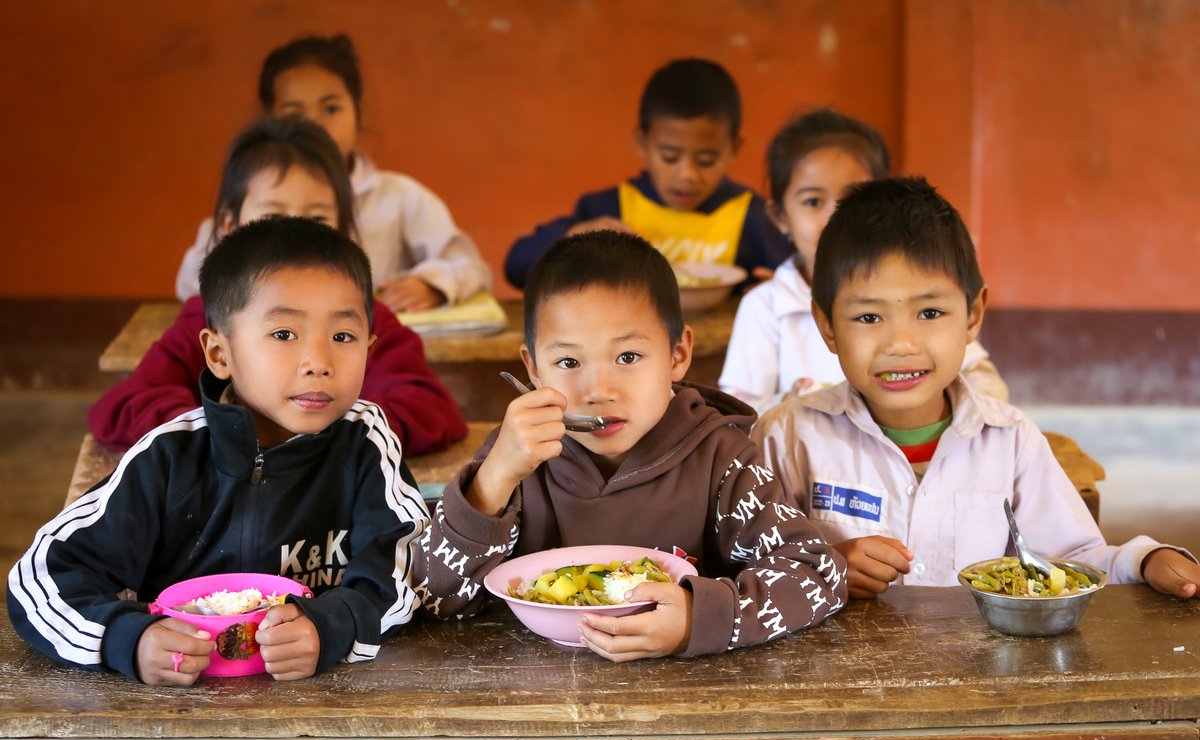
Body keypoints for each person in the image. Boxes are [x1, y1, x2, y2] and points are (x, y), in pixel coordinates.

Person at [8, 217, 430, 685]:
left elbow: (409, 563)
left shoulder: (365, 442)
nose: (319, 363)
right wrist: (127, 638)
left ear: (370, 347)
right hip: (174, 717)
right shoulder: (170, 456)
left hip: (324, 711)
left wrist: (332, 626)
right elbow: (40, 577)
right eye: (284, 334)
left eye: (343, 337)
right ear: (219, 354)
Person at [751, 177, 1200, 600]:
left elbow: (1070, 562)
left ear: (972, 315)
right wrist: (823, 568)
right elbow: (743, 566)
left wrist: (1145, 560)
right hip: (836, 678)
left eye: (930, 313)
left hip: (981, 677)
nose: (901, 344)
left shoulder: (1010, 439)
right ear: (826, 325)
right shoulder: (787, 437)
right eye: (869, 317)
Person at [410, 230, 847, 661]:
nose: (599, 390)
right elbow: (434, 598)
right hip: (539, 700)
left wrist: (698, 619)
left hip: (695, 703)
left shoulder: (722, 459)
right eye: (568, 362)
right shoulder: (515, 458)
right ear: (534, 368)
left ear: (678, 354)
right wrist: (494, 479)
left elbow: (817, 573)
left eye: (627, 357)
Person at [90, 115, 468, 454]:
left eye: (317, 219)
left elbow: (430, 408)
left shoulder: (366, 320)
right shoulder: (212, 319)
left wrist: (336, 435)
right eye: (272, 215)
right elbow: (126, 404)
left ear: (346, 228)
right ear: (228, 226)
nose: (294, 234)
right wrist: (218, 436)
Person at [174, 34, 491, 312]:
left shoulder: (401, 196)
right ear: (269, 119)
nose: (314, 125)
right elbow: (190, 287)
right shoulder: (248, 201)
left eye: (330, 109)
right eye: (293, 112)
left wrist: (433, 285)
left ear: (358, 111)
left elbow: (471, 267)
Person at [720, 108, 1008, 413]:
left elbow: (982, 379)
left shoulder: (922, 284)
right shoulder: (767, 306)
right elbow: (739, 410)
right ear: (780, 216)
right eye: (813, 202)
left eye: (852, 198)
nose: (834, 216)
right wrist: (797, 406)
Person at [503, 58, 790, 288]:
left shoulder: (751, 216)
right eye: (669, 157)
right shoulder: (609, 208)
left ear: (734, 149)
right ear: (642, 143)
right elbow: (517, 267)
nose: (687, 174)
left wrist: (777, 289)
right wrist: (575, 235)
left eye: (706, 160)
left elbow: (799, 278)